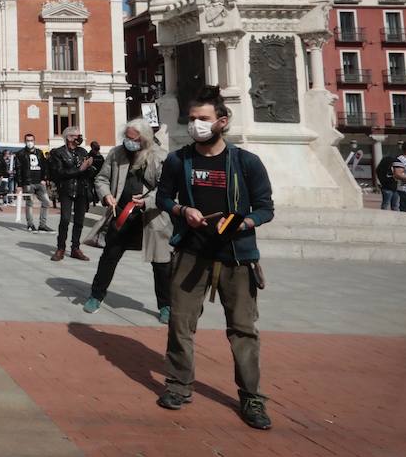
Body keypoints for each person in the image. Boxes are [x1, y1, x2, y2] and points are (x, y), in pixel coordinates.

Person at [156, 87, 274, 430]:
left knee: (242, 329)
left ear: (222, 121)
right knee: (180, 322)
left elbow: (265, 208)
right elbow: (164, 197)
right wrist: (182, 209)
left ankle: (251, 397)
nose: (196, 125)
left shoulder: (246, 162)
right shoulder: (179, 160)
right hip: (192, 253)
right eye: (192, 119)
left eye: (203, 119)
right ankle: (178, 386)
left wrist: (244, 222)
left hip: (237, 257)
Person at [83, 119, 172, 323]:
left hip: (152, 216)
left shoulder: (159, 156)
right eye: (127, 137)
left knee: (161, 264)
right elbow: (101, 179)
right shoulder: (116, 153)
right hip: (121, 213)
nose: (129, 142)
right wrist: (106, 196)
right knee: (109, 256)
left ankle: (166, 305)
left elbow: (167, 188)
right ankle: (96, 296)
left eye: (133, 139)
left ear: (144, 140)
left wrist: (147, 201)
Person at [48, 127, 95, 261]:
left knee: (79, 220)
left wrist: (90, 167)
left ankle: (76, 248)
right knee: (65, 219)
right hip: (66, 189)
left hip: (82, 189)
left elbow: (88, 172)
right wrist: (80, 169)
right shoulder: (58, 152)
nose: (79, 138)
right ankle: (60, 248)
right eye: (76, 135)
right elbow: (59, 173)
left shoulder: (82, 151)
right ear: (68, 137)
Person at [13, 133, 52, 232]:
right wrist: (19, 185)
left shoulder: (39, 152)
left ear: (34, 141)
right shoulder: (21, 154)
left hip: (39, 181)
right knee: (29, 203)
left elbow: (44, 166)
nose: (29, 142)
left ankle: (42, 224)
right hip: (28, 182)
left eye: (31, 140)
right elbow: (18, 169)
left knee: (46, 202)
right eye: (27, 140)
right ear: (25, 141)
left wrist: (44, 178)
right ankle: (30, 224)